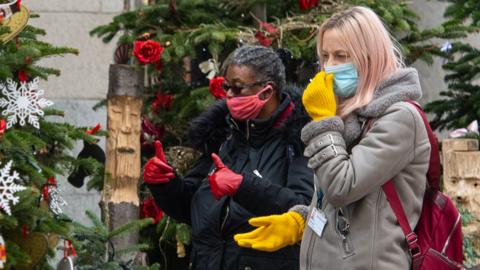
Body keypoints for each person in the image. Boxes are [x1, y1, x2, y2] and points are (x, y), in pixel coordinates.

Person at [234, 6, 430, 270]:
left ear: (370, 57)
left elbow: (342, 188)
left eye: (341, 56)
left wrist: (324, 123)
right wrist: (301, 221)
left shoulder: (400, 118)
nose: (329, 67)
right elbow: (337, 201)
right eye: (325, 56)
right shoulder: (349, 116)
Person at [144, 45, 314, 270]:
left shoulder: (300, 139)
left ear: (266, 91)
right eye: (227, 87)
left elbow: (305, 209)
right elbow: (193, 208)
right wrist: (165, 184)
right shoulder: (224, 135)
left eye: (237, 88)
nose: (229, 96)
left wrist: (243, 187)